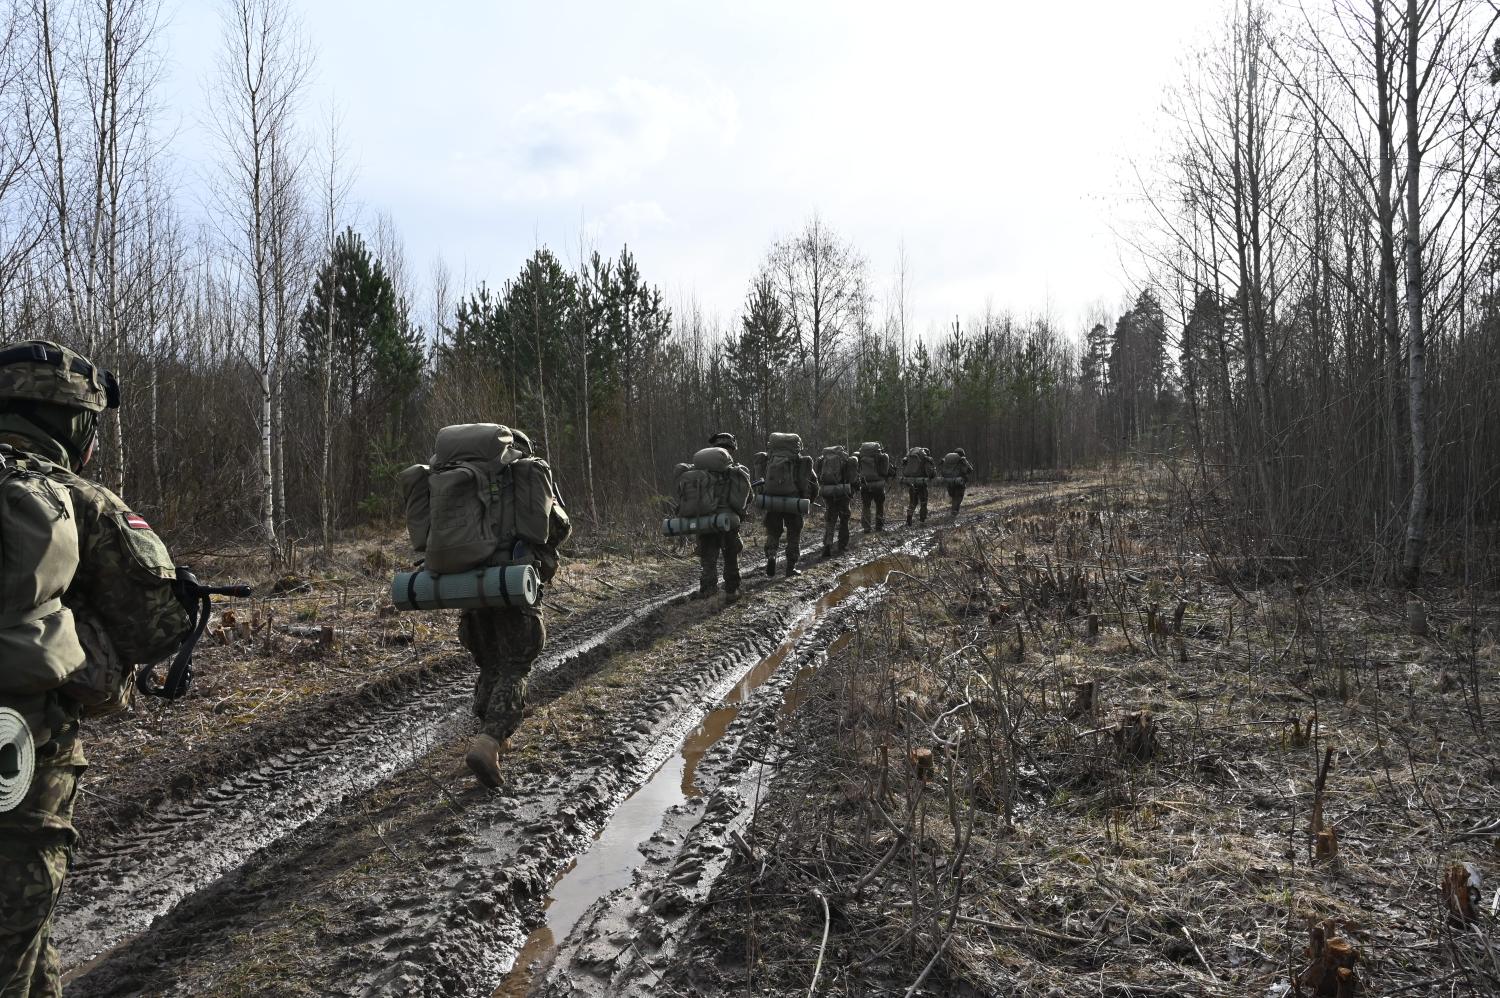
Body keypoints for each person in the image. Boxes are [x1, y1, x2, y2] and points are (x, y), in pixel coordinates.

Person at [0, 339, 192, 998]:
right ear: (76, 424)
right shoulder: (74, 497)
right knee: (12, 932)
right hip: (18, 751)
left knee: (28, 943)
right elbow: (161, 627)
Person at [451, 425, 570, 789]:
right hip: (513, 587)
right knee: (516, 665)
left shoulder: (461, 481)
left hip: (468, 590)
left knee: (489, 663)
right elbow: (558, 527)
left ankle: (489, 737)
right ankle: (489, 742)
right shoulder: (524, 477)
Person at [691, 431, 751, 603]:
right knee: (731, 556)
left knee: (708, 559)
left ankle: (708, 591)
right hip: (728, 521)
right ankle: (732, 591)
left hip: (705, 521)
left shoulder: (699, 471)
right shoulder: (736, 471)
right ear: (731, 449)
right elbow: (747, 498)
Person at [756, 432, 819, 578]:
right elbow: (814, 484)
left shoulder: (768, 460)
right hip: (793, 501)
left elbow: (760, 481)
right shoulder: (801, 461)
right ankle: (790, 567)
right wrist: (809, 500)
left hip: (772, 500)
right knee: (793, 533)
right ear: (797, 446)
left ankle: (771, 555)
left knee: (773, 531)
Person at [817, 443, 861, 559]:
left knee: (830, 519)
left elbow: (818, 477)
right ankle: (842, 545)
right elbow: (852, 478)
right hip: (843, 493)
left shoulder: (823, 460)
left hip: (828, 493)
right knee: (844, 519)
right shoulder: (846, 460)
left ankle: (827, 544)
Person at [856, 441, 893, 533]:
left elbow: (857, 470)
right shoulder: (882, 457)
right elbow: (885, 472)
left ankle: (866, 528)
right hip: (879, 485)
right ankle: (879, 527)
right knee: (879, 506)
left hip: (865, 485)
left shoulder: (860, 456)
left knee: (866, 506)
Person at [901, 445, 937, 525]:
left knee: (912, 502)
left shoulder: (910, 459)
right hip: (922, 484)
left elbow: (904, 470)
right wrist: (933, 472)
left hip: (911, 483)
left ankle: (909, 518)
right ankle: (922, 520)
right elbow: (930, 473)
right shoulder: (925, 459)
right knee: (923, 502)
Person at [938, 447, 975, 515]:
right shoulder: (962, 460)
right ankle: (954, 512)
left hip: (948, 482)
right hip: (959, 482)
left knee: (953, 496)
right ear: (962, 454)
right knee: (958, 497)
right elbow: (970, 470)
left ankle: (953, 510)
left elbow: (940, 468)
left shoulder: (947, 459)